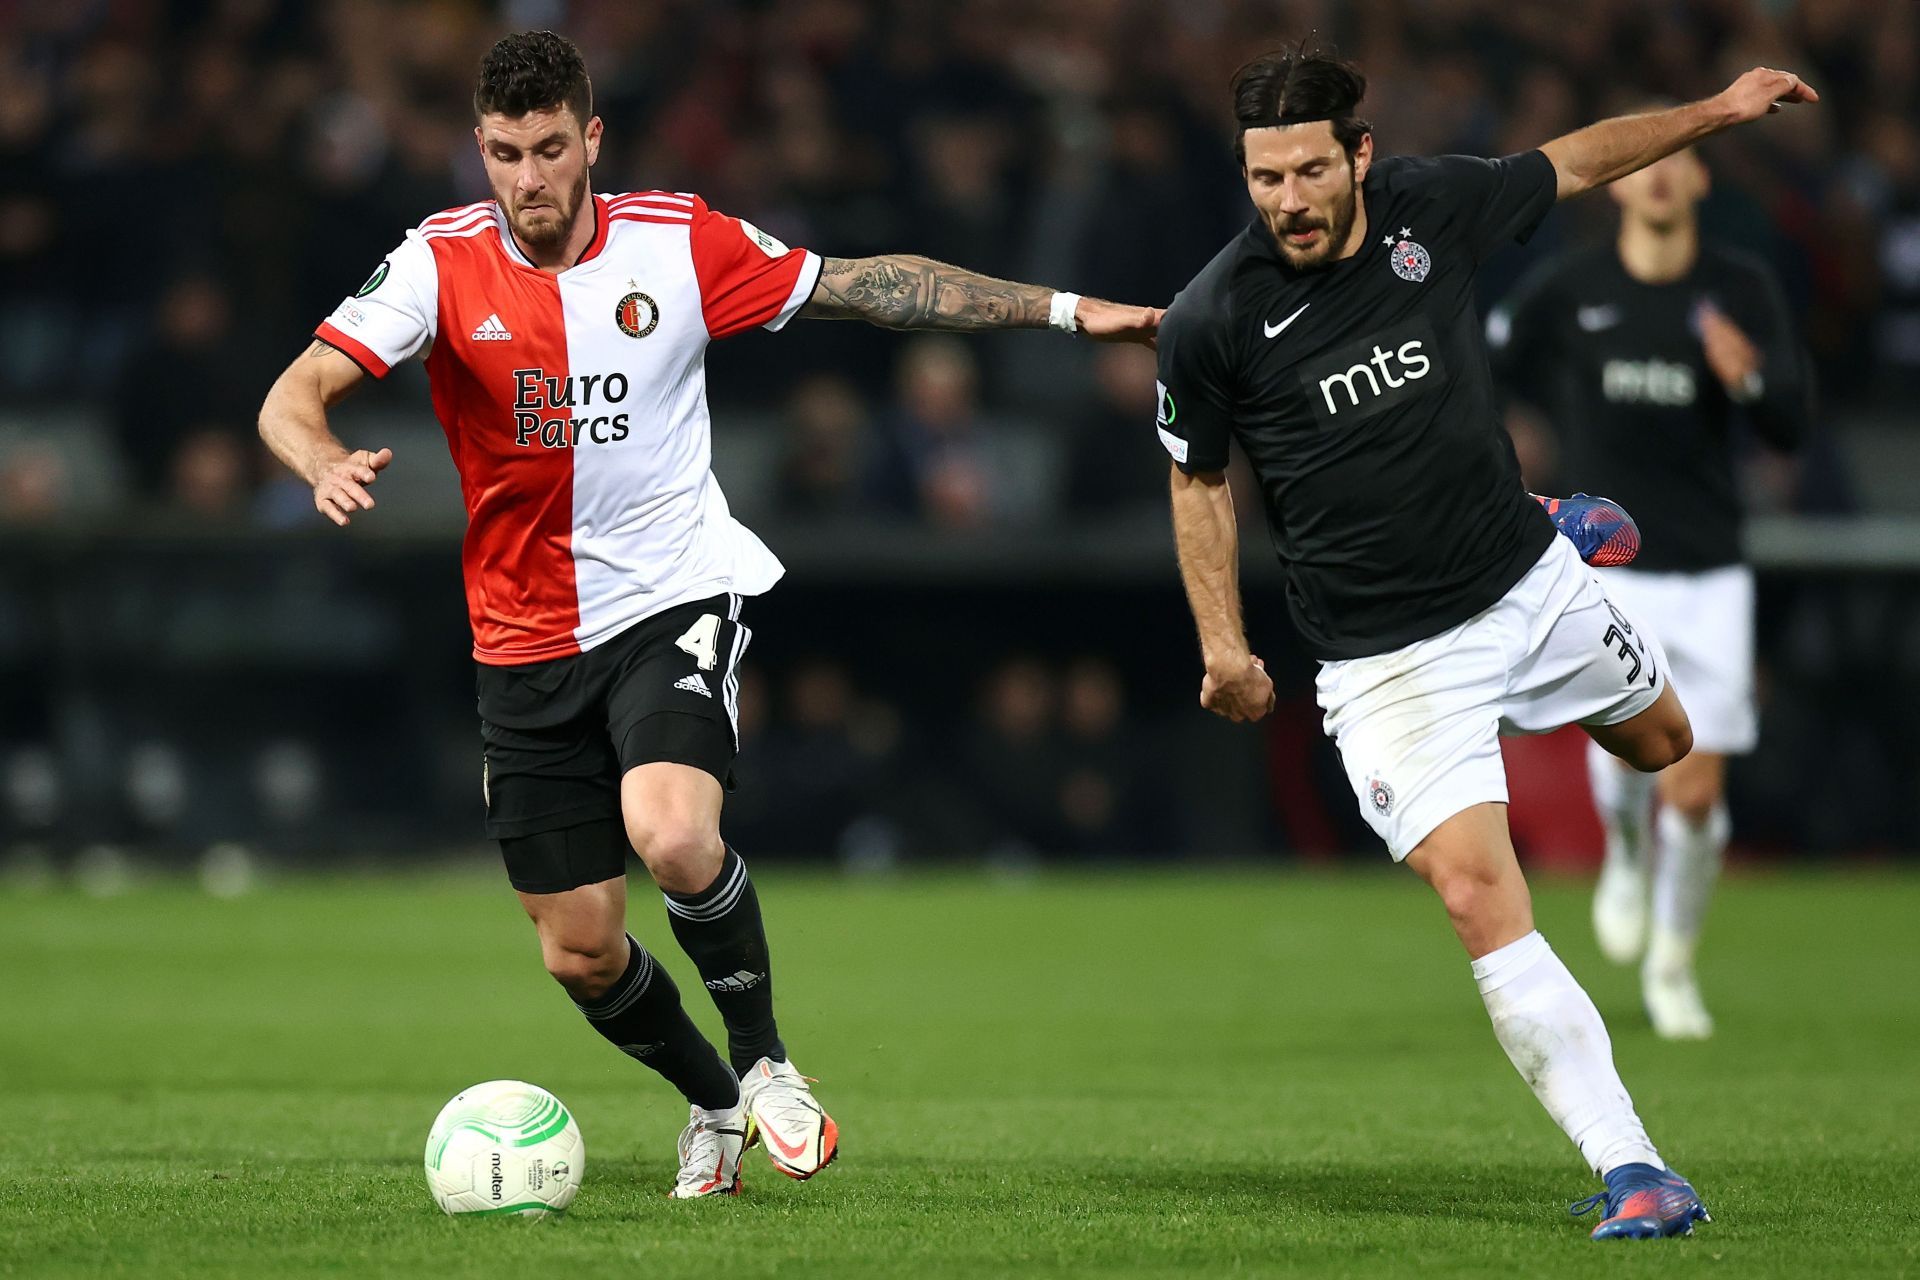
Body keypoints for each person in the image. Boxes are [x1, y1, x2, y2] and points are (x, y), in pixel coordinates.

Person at [256, 30, 1157, 1200]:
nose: (526, 179)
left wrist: (1073, 311)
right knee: (578, 946)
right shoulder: (438, 261)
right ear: (478, 149)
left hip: (670, 591)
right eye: (501, 154)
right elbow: (291, 394)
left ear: (592, 141)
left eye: (546, 149)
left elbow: (869, 287)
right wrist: (318, 456)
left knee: (674, 831)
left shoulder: (679, 241)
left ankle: (768, 1059)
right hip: (522, 638)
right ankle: (714, 1104)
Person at [1152, 45, 1815, 1240]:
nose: (1287, 200)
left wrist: (1718, 109)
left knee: (1668, 745)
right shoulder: (1214, 316)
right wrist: (1225, 644)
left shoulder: (1431, 207)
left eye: (1308, 171)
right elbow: (1196, 481)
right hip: (1394, 659)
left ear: (1359, 156)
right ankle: (1637, 1167)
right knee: (1476, 893)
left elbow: (1577, 159)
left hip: (1526, 578)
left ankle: (1548, 516)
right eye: (1263, 180)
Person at [1488, 140, 1809, 1040]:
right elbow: (1483, 367)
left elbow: (1791, 422)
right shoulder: (1570, 287)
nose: (1662, 172)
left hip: (1708, 567)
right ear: (1621, 181)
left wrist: (1745, 374)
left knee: (1698, 793)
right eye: (1647, 159)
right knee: (1635, 754)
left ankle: (1672, 967)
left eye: (1684, 160)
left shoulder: (1740, 288)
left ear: (1703, 179)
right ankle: (1625, 849)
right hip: (1607, 569)